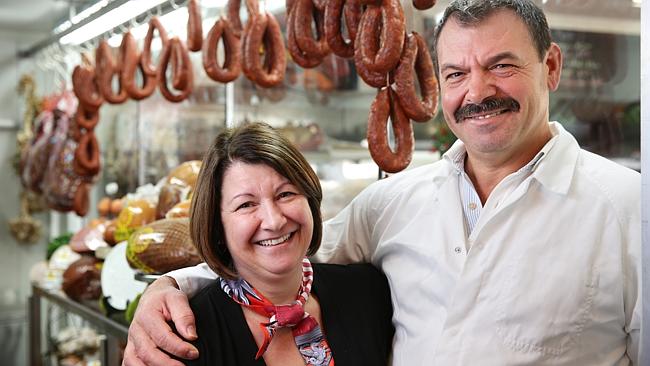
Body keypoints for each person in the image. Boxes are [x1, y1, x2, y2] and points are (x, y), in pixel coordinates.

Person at [123, 0, 641, 365]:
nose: (477, 90)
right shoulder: (392, 204)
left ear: (550, 66)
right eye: (456, 73)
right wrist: (171, 286)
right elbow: (286, 253)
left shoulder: (630, 208)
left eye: (501, 65)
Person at [175, 122, 393, 365]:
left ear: (310, 201)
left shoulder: (368, 292)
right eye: (246, 204)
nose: (274, 221)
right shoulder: (186, 336)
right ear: (217, 226)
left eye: (285, 194)